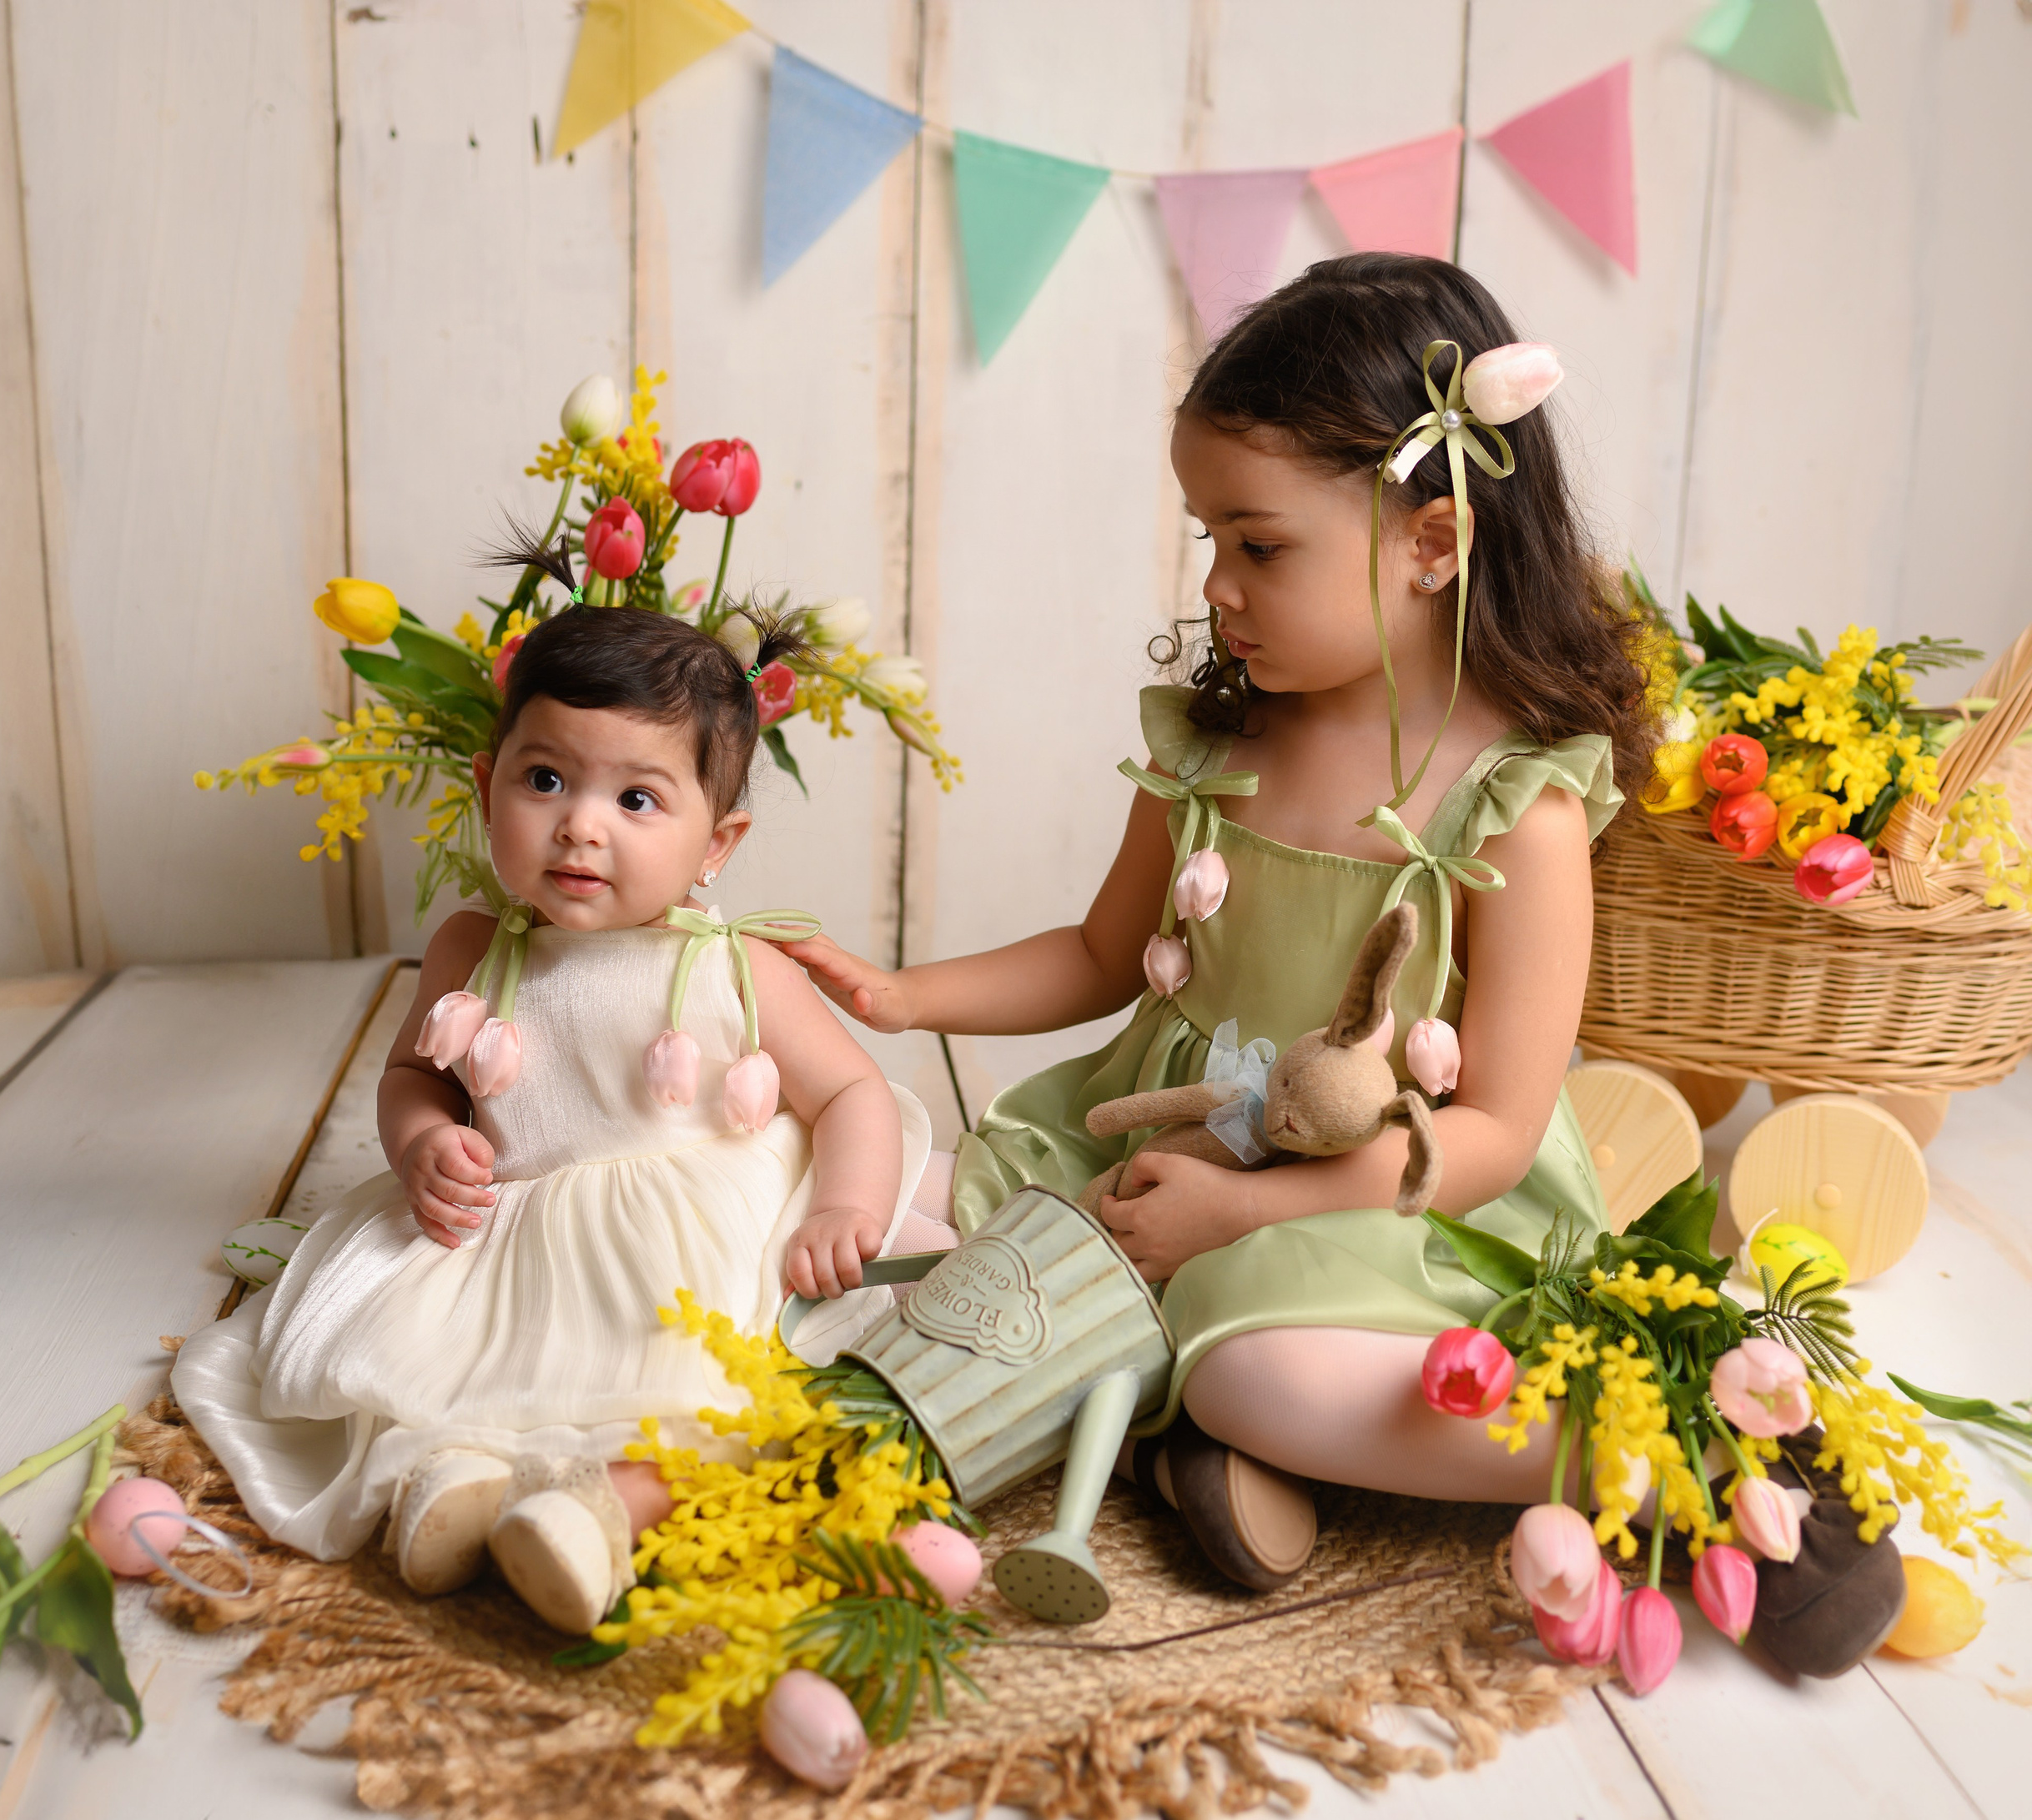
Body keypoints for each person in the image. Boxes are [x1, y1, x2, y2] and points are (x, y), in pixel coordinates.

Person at [785, 254, 1654, 1592]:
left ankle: (1619, 1449)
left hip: (1379, 1197)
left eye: (1259, 545)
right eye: (1208, 541)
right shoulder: (1218, 741)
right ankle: (1192, 1441)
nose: (1217, 588)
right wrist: (905, 997)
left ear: (1431, 542)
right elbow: (1097, 956)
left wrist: (1243, 1219)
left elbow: (1493, 1133)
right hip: (1163, 1137)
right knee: (888, 1224)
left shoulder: (1515, 808)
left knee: (1258, 1366)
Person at [174, 591, 929, 1634]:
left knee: (715, 1402)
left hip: (694, 1248)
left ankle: (591, 1517)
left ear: (719, 841)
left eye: (637, 801)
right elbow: (412, 1078)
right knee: (447, 1370)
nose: (579, 822)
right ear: (489, 789)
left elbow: (850, 1090)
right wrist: (426, 1140)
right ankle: (451, 1482)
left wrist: (844, 1206)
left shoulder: (736, 964)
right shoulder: (472, 947)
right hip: (513, 1238)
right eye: (545, 780)